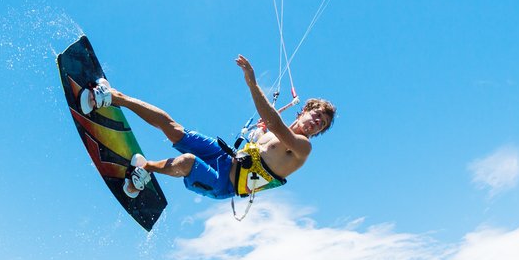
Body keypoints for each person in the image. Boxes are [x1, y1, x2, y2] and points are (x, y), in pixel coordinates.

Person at [81, 54, 335, 199]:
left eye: (320, 124)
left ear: (317, 132)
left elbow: (274, 123)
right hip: (226, 158)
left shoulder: (303, 147)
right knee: (173, 128)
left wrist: (251, 84)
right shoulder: (272, 134)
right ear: (304, 111)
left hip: (223, 183)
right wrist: (260, 133)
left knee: (188, 161)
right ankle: (114, 97)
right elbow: (268, 131)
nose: (315, 122)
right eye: (315, 115)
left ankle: (143, 172)